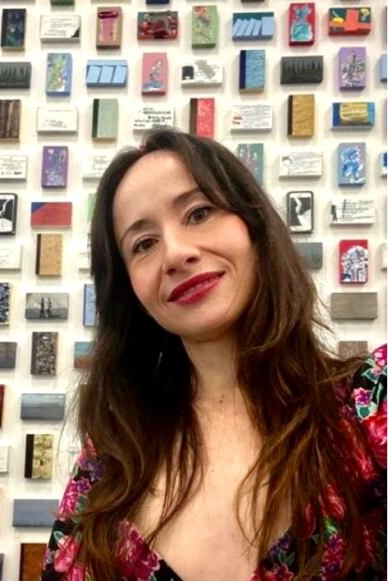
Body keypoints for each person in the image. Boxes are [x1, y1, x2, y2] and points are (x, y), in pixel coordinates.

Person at [42, 130, 386, 580]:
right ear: (129, 290)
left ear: (254, 226)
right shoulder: (113, 459)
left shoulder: (370, 404)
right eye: (143, 244)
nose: (176, 253)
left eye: (199, 212)